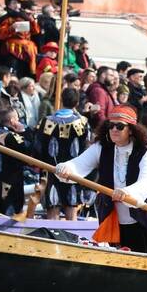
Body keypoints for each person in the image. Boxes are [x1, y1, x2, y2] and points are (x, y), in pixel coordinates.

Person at [55, 105, 147, 255]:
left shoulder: (146, 152)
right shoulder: (101, 148)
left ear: (130, 130)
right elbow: (79, 163)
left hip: (145, 219)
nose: (114, 129)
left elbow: (146, 182)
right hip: (115, 221)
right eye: (111, 125)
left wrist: (127, 192)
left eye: (120, 126)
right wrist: (66, 168)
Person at [36, 88, 91, 221]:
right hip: (74, 169)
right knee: (71, 206)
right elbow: (86, 147)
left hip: (50, 168)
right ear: (77, 102)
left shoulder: (46, 121)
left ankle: (50, 238)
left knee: (52, 205)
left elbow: (38, 147)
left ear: (61, 100)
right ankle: (72, 237)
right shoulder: (82, 122)